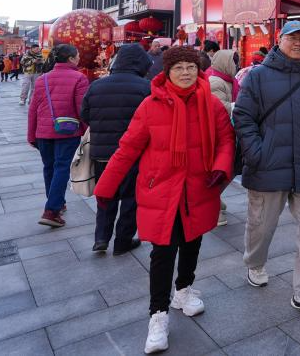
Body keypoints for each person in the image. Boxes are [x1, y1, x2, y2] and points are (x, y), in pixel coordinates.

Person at [93, 46, 235, 354]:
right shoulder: (150, 105)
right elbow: (128, 148)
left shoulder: (211, 104)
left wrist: (221, 166)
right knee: (163, 253)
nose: (186, 73)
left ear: (199, 70)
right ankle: (158, 314)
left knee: (192, 242)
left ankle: (184, 289)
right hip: (161, 190)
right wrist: (106, 187)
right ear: (167, 72)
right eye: (178, 67)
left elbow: (226, 139)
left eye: (191, 67)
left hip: (198, 188)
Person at [233, 20, 300, 320]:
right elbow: (243, 117)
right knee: (261, 227)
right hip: (268, 165)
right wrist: (256, 152)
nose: (298, 43)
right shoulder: (257, 76)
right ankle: (255, 263)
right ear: (279, 40)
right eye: (293, 38)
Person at [80, 43, 151, 254]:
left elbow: (85, 115)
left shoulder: (97, 86)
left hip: (102, 153)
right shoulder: (146, 87)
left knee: (105, 194)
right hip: (133, 155)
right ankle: (123, 241)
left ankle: (101, 237)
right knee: (131, 198)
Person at [27, 44, 90, 227]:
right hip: (67, 132)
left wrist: (31, 134)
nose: (79, 58)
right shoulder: (79, 78)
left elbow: (33, 109)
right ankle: (52, 210)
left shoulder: (43, 78)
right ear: (70, 58)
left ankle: (56, 203)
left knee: (49, 167)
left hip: (43, 132)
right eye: (77, 55)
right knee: (62, 167)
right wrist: (88, 130)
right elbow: (82, 108)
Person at [206, 49, 239, 227]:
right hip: (219, 134)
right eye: (234, 62)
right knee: (226, 169)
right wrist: (237, 105)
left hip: (225, 132)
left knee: (228, 169)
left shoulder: (226, 80)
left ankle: (215, 202)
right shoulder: (216, 81)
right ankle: (214, 206)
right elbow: (217, 106)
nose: (236, 65)